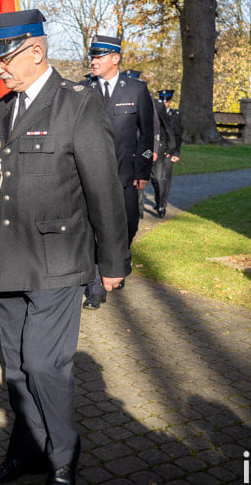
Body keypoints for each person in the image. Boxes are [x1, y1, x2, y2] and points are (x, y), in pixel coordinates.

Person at [0, 10, 129, 485]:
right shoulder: (4, 109)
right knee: (17, 369)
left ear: (35, 52)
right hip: (7, 259)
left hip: (57, 262)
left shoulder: (77, 105)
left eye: (3, 58)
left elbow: (104, 189)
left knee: (46, 365)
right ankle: (27, 451)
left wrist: (112, 263)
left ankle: (63, 457)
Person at [81, 35, 153, 310]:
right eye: (92, 57)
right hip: (91, 174)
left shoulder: (136, 90)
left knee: (127, 226)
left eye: (99, 57)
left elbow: (147, 133)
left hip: (125, 174)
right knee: (93, 230)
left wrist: (142, 171)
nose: (93, 61)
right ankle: (96, 286)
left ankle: (120, 260)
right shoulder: (82, 88)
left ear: (115, 58)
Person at [150, 89, 182, 217]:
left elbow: (177, 135)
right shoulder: (155, 110)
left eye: (167, 100)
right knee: (155, 178)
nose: (165, 103)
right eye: (162, 99)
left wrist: (176, 152)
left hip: (168, 149)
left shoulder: (175, 115)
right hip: (157, 148)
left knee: (164, 177)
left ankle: (162, 202)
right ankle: (159, 200)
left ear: (170, 100)